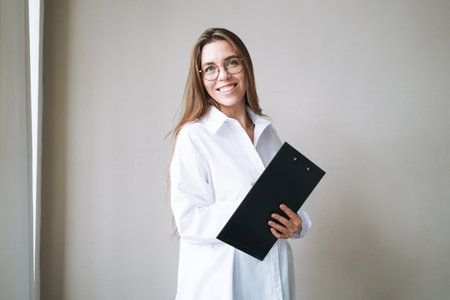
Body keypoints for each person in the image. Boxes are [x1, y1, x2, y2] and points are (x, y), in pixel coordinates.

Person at [169, 28, 312, 300]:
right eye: (210, 68)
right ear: (201, 79)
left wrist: (298, 224)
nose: (223, 75)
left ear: (245, 66)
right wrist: (253, 208)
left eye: (231, 63)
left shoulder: (267, 132)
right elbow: (188, 220)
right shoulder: (195, 136)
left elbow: (284, 203)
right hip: (222, 287)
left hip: (273, 281)